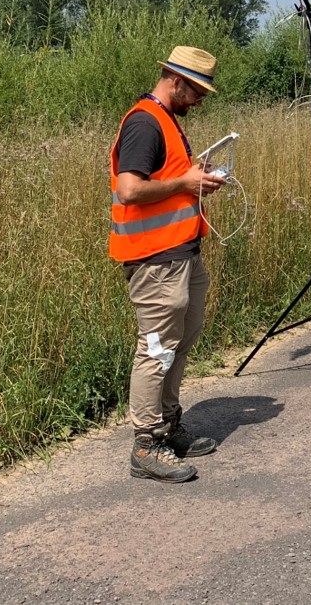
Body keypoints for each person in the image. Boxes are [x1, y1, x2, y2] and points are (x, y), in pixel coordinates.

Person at [109, 45, 228, 483]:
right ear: (176, 81)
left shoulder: (168, 120)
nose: (200, 101)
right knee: (156, 347)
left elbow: (166, 181)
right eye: (198, 92)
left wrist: (196, 179)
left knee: (179, 340)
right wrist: (186, 181)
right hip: (155, 258)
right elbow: (129, 191)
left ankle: (169, 422)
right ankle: (146, 444)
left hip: (182, 254)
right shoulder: (144, 122)